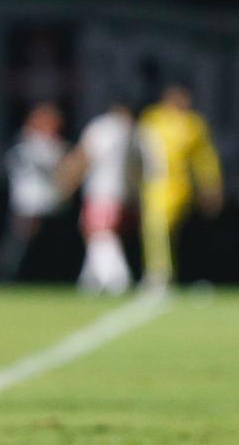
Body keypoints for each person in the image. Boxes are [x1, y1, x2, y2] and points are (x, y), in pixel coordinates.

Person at [136, 84, 224, 288]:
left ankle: (162, 272)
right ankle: (158, 271)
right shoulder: (152, 118)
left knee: (160, 228)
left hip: (178, 185)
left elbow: (205, 159)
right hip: (154, 184)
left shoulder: (193, 124)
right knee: (154, 228)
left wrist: (210, 187)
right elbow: (139, 153)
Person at [55, 99, 136, 293]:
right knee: (95, 232)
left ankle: (117, 277)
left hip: (102, 191)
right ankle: (91, 279)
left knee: (101, 234)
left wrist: (67, 181)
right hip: (119, 192)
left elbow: (84, 156)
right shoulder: (131, 131)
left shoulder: (104, 129)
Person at [0, 102, 68, 283]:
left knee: (50, 251)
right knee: (18, 247)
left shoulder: (51, 145)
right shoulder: (27, 146)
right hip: (28, 207)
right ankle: (4, 280)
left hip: (50, 208)